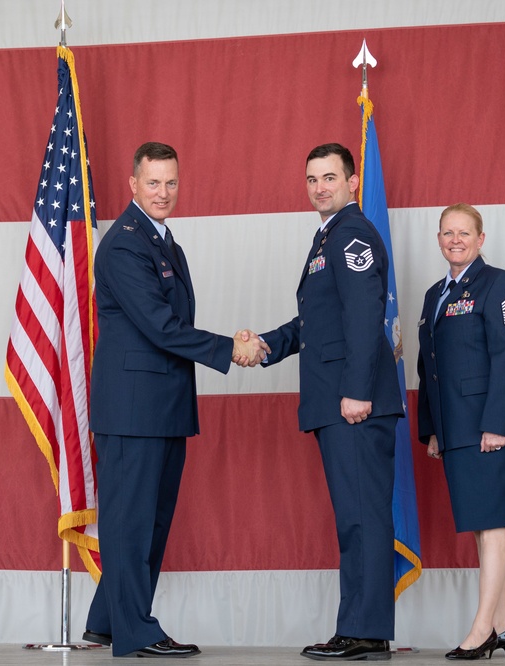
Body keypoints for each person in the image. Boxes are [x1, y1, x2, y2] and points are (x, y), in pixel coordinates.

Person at [83, 141, 268, 658]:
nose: (163, 192)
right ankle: (136, 631)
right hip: (133, 409)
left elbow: (170, 328)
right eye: (153, 182)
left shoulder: (166, 243)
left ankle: (106, 620)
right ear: (132, 185)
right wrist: (231, 349)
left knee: (151, 520)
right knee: (132, 522)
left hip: (163, 406)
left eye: (171, 183)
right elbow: (162, 327)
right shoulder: (123, 245)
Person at [257, 143, 405, 662]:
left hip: (354, 401)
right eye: (312, 178)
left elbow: (366, 314)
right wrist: (267, 345)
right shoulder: (329, 237)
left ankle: (364, 630)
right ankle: (359, 625)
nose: (320, 187)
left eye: (330, 177)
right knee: (353, 517)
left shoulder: (351, 234)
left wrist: (358, 391)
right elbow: (318, 322)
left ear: (353, 181)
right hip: (338, 399)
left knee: (362, 516)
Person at [415, 203, 505, 660]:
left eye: (464, 232)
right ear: (439, 239)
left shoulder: (500, 284)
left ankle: (481, 630)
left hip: (489, 427)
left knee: (493, 527)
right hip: (456, 429)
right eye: (447, 233)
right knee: (483, 530)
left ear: (481, 239)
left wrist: (496, 425)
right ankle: (504, 625)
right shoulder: (433, 295)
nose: (455, 240)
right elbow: (430, 369)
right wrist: (433, 430)